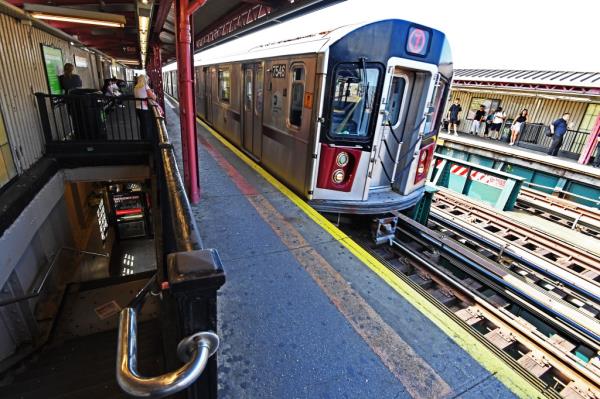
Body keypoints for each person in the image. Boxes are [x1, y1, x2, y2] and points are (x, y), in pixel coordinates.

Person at [134, 75, 157, 140]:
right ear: (144, 80)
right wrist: (153, 92)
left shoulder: (135, 87)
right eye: (147, 80)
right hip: (144, 109)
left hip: (138, 108)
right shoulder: (145, 86)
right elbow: (154, 98)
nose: (148, 81)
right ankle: (148, 140)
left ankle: (143, 139)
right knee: (147, 125)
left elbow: (142, 95)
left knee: (142, 125)